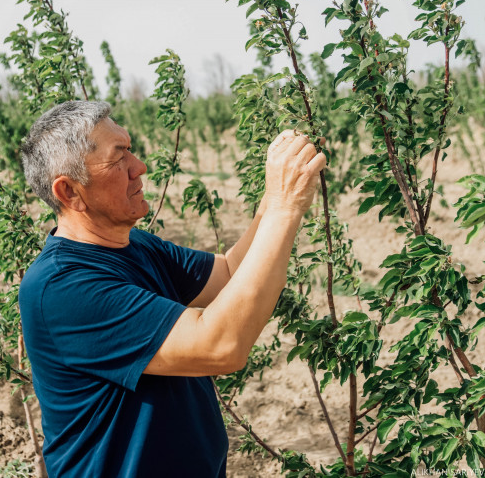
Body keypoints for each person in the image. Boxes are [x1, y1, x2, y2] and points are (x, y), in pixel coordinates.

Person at [18, 100, 326, 478]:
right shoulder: (63, 287)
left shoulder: (134, 244)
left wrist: (276, 193)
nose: (139, 167)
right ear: (69, 191)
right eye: (118, 158)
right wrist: (284, 206)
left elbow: (229, 273)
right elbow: (221, 346)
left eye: (130, 149)